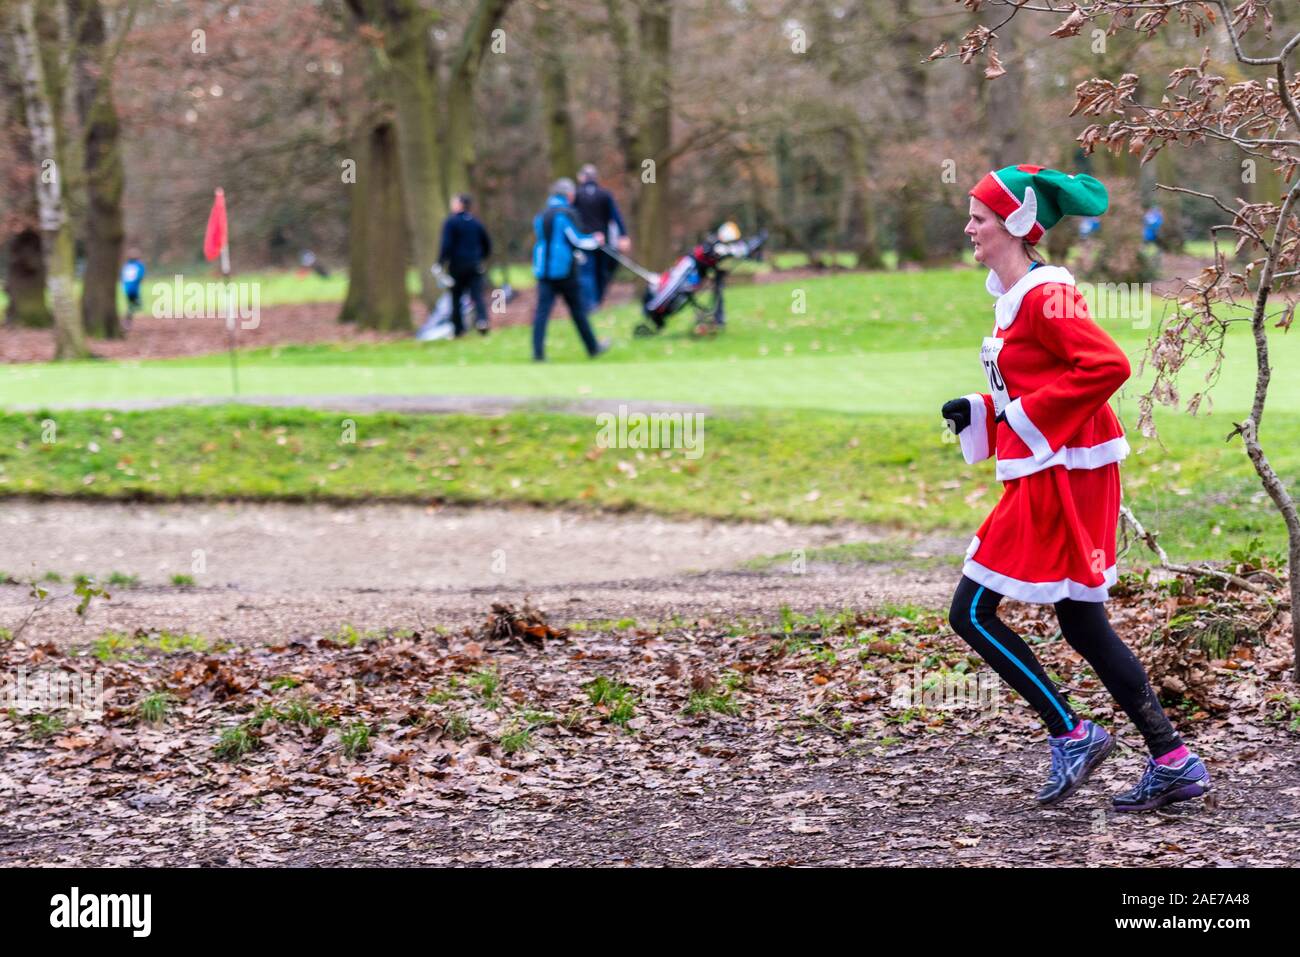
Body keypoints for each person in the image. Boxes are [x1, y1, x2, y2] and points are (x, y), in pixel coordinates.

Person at [941, 163, 1211, 812]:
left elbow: (1107, 365)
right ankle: (1173, 759)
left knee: (971, 611)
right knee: (1082, 622)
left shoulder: (1045, 293)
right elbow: (1038, 382)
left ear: (1012, 222)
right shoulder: (1018, 297)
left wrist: (1024, 422)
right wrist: (981, 410)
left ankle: (1074, 732)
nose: (970, 226)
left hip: (1063, 476)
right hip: (1052, 469)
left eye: (979, 216)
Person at [531, 177, 610, 362]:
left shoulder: (541, 215)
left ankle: (538, 353)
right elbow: (577, 240)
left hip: (543, 270)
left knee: (542, 313)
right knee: (577, 310)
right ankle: (593, 347)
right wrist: (596, 241)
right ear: (568, 194)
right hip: (564, 271)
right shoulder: (565, 214)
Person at [573, 164, 630, 313]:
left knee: (587, 273)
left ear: (582, 178)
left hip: (583, 242)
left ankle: (591, 304)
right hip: (603, 242)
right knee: (601, 272)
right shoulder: (605, 194)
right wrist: (623, 235)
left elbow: (571, 218)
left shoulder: (576, 195)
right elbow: (615, 217)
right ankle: (596, 301)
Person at [437, 193, 493, 336]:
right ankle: (482, 321)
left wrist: (440, 262)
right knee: (477, 295)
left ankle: (458, 329)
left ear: (460, 204)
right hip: (475, 265)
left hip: (457, 266)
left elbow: (446, 245)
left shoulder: (451, 222)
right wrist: (481, 258)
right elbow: (487, 244)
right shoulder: (476, 222)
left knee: (456, 297)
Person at [120, 249, 146, 332]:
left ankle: (128, 321)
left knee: (133, 304)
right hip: (134, 289)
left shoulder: (126, 266)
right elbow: (140, 276)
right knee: (136, 305)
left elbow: (122, 277)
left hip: (126, 288)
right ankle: (127, 322)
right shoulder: (139, 265)